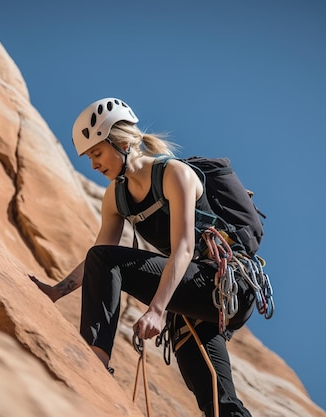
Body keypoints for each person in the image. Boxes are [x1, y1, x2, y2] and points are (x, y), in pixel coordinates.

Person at [30, 97, 252, 417]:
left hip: (221, 285)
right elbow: (97, 259)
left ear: (120, 141)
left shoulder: (174, 174)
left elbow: (184, 248)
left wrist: (158, 310)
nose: (93, 164)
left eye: (97, 152)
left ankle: (95, 361)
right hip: (193, 296)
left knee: (108, 259)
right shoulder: (116, 196)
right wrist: (57, 291)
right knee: (215, 400)